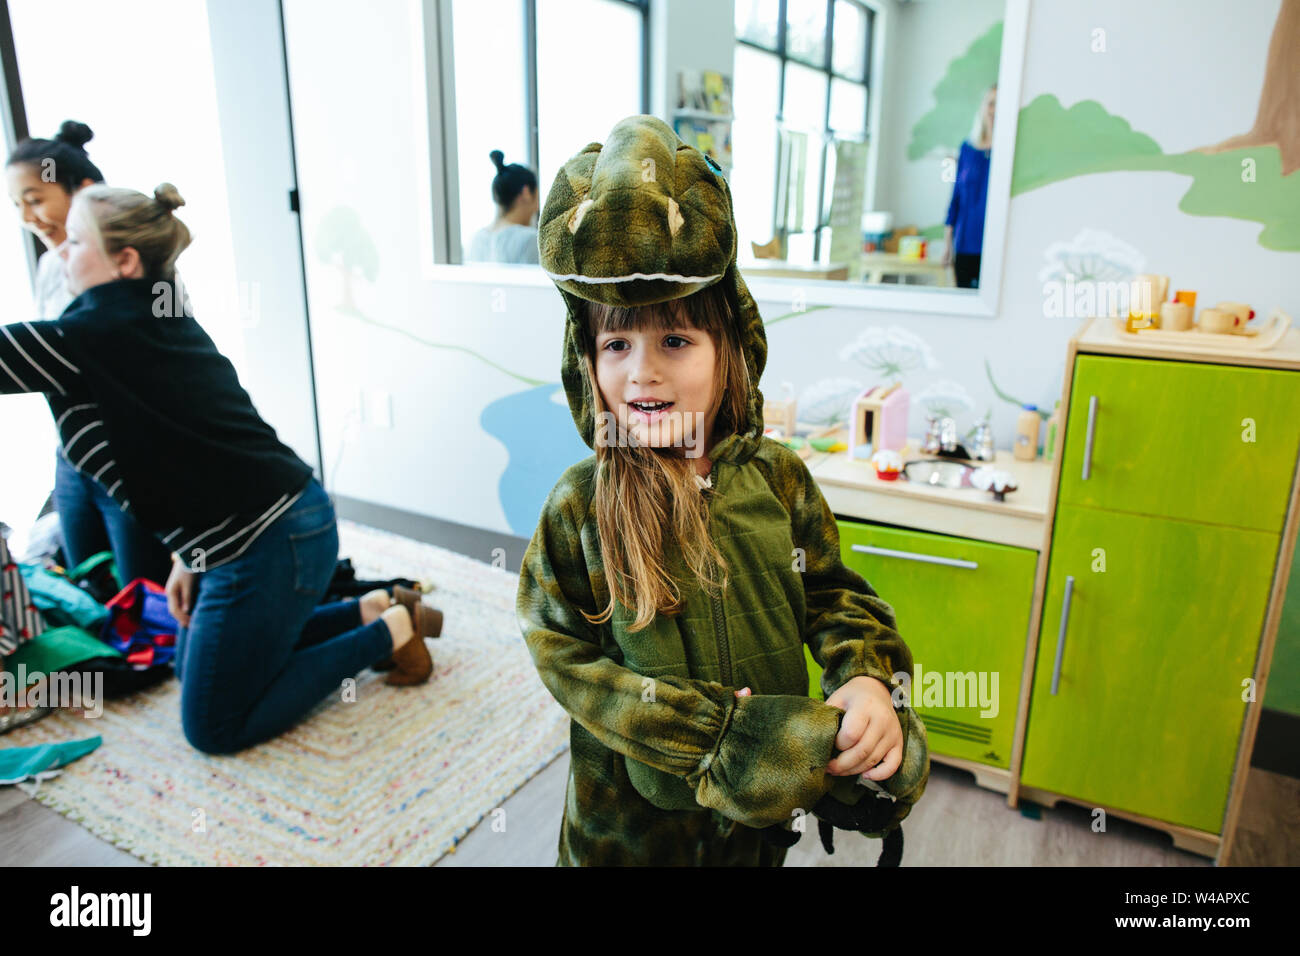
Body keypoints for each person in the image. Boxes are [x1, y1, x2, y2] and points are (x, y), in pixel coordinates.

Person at [516, 115, 929, 866]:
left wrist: (867, 682)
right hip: (628, 843)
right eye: (617, 345)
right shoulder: (578, 508)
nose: (642, 372)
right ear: (587, 363)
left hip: (753, 842)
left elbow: (837, 596)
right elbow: (561, 654)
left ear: (728, 345)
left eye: (675, 340)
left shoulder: (779, 479)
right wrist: (710, 739)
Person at [0, 182, 443, 754]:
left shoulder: (93, 335)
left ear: (125, 261)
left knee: (214, 724)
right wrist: (190, 556)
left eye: (75, 241)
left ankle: (391, 632)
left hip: (275, 538)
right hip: (271, 528)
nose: (58, 252)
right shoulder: (148, 320)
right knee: (194, 667)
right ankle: (371, 607)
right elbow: (193, 457)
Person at [5, 120, 172, 587]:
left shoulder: (137, 270)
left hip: (127, 454)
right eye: (17, 205)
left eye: (36, 200)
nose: (27, 217)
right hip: (72, 453)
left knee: (144, 592)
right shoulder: (48, 265)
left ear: (84, 190)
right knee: (90, 582)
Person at [943, 85, 996, 289]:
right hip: (965, 244)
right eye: (991, 104)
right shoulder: (967, 148)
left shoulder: (1007, 151)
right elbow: (955, 198)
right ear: (983, 107)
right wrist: (947, 244)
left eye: (1000, 105)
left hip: (993, 244)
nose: (995, 110)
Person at [465, 150, 539, 264]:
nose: (537, 208)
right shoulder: (530, 240)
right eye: (537, 196)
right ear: (526, 193)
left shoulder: (475, 240)